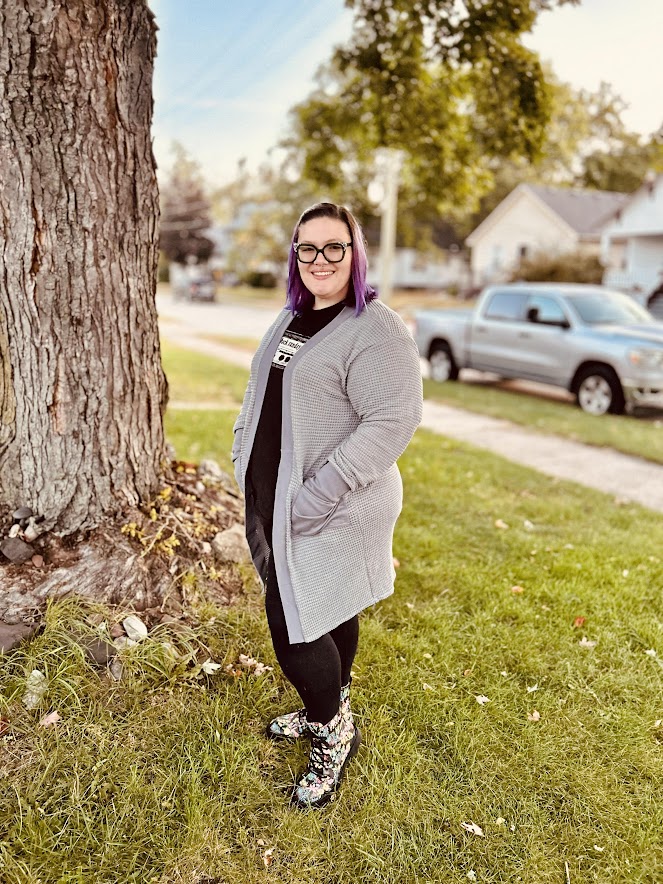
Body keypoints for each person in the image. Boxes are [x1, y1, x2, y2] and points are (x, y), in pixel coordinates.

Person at [231, 202, 422, 809]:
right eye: (307, 248)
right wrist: (242, 447)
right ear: (296, 255)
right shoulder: (294, 315)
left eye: (333, 247)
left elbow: (392, 421)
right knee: (329, 605)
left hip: (335, 504)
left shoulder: (376, 329)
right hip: (278, 493)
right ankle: (332, 706)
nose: (320, 260)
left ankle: (332, 733)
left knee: (292, 623)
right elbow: (262, 389)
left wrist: (321, 492)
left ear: (354, 252)